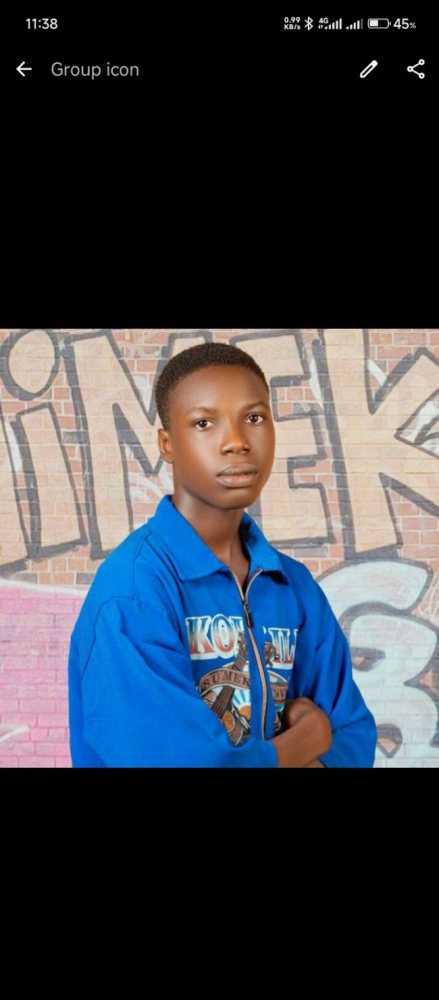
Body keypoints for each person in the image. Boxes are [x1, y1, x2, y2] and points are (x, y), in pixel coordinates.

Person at [68, 341, 377, 767]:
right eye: (204, 423)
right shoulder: (134, 590)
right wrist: (309, 736)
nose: (236, 442)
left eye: (254, 418)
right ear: (167, 444)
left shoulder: (292, 586)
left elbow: (353, 736)